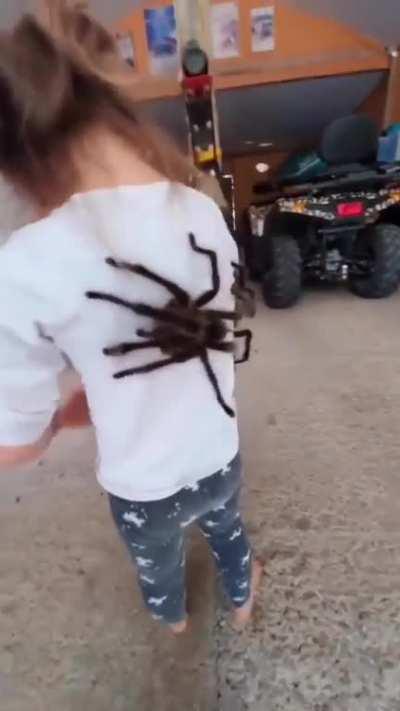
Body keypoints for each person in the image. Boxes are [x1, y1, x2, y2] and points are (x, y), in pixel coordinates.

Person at [0, 12, 261, 633]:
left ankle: (170, 618)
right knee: (229, 529)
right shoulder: (202, 209)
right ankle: (244, 595)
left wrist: (65, 416)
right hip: (220, 451)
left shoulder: (26, 262)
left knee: (157, 563)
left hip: (144, 487)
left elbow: (12, 445)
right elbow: (225, 327)